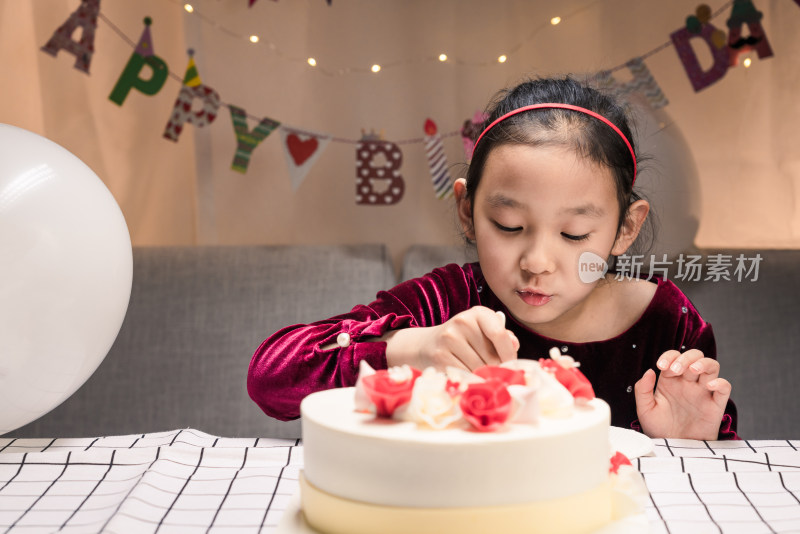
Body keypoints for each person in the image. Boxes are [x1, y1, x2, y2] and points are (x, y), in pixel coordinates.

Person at [248, 76, 737, 440]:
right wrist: (410, 348)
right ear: (467, 210)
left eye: (574, 233)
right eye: (509, 226)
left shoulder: (669, 325)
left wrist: (692, 444)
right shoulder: (448, 301)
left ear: (624, 228)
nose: (538, 262)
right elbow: (270, 378)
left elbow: (732, 483)